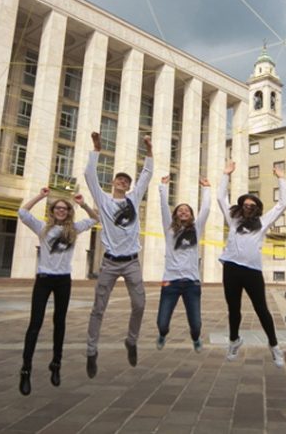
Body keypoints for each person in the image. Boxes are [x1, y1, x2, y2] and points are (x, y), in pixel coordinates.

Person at [16, 187, 97, 396]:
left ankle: (56, 365)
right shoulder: (42, 228)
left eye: (65, 208)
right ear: (52, 211)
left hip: (63, 281)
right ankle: (26, 369)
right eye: (58, 208)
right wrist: (41, 196)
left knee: (59, 323)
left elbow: (95, 219)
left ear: (69, 212)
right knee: (35, 324)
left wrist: (83, 204)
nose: (61, 211)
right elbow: (22, 213)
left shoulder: (74, 229)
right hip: (43, 280)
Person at [84, 131, 153, 378]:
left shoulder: (134, 199)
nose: (123, 182)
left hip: (132, 262)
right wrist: (96, 148)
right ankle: (92, 352)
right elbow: (89, 175)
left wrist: (148, 148)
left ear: (129, 186)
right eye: (119, 179)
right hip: (110, 263)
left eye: (126, 181)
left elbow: (147, 175)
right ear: (113, 182)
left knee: (140, 304)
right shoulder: (103, 201)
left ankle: (131, 341)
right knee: (98, 308)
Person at [217, 160, 286, 367]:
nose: (248, 207)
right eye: (245, 204)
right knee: (234, 308)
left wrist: (281, 178)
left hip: (252, 271)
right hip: (231, 268)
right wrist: (226, 174)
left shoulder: (263, 223)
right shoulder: (233, 221)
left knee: (262, 309)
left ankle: (274, 346)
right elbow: (221, 198)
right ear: (241, 207)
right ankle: (233, 341)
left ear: (257, 209)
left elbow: (282, 204)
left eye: (252, 205)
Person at [155, 175, 211, 352]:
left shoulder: (196, 228)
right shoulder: (169, 229)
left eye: (187, 210)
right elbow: (163, 208)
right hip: (170, 282)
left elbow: (206, 209)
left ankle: (196, 339)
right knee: (162, 323)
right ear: (175, 214)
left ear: (191, 214)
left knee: (196, 324)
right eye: (180, 210)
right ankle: (163, 334)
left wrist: (206, 188)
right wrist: (163, 187)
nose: (184, 211)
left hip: (192, 283)